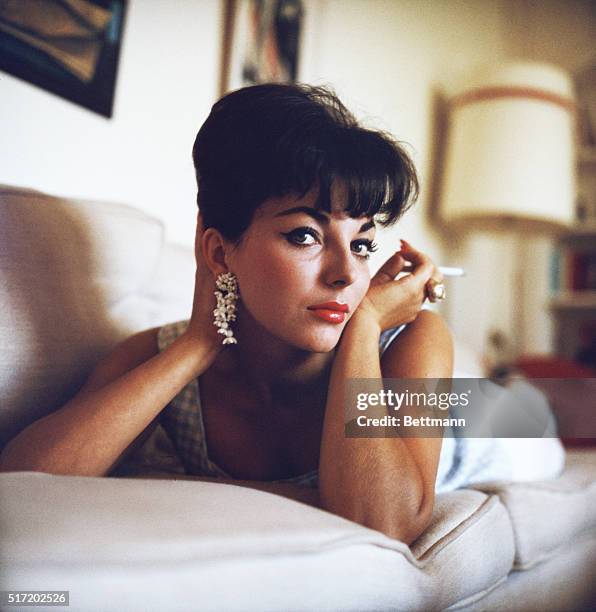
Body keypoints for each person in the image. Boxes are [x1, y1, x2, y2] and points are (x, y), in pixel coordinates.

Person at [0, 83, 563, 545]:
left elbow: (385, 525)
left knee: (545, 414)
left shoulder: (411, 340)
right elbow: (22, 482)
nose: (347, 273)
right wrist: (198, 345)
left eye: (363, 243)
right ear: (221, 252)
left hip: (486, 423)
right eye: (305, 235)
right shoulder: (156, 360)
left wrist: (364, 324)